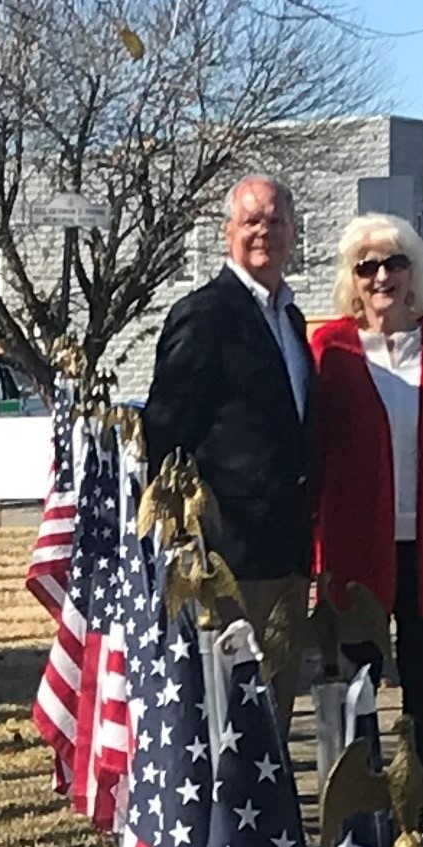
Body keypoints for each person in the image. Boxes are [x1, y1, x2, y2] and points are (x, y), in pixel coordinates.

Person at [307, 213, 423, 773]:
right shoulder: (329, 350)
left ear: (414, 272)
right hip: (354, 545)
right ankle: (360, 797)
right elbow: (316, 454)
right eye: (368, 266)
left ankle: (421, 791)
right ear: (352, 277)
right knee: (357, 672)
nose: (382, 276)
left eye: (395, 262)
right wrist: (315, 551)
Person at [140, 171, 316, 693]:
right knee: (231, 717)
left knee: (275, 713)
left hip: (286, 553)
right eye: (252, 220)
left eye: (276, 221)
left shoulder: (292, 321)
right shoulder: (204, 316)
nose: (265, 231)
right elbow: (165, 435)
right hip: (229, 559)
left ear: (293, 233)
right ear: (227, 232)